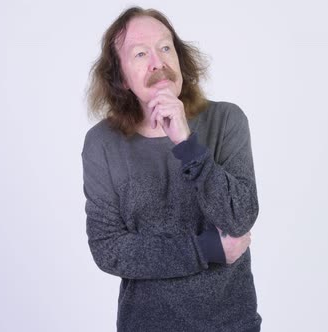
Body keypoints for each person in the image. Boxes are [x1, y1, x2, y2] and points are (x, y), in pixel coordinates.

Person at [83, 6, 261, 332]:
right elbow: (109, 248)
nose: (158, 62)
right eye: (140, 54)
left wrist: (186, 143)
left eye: (166, 48)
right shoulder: (102, 144)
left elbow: (239, 216)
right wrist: (208, 249)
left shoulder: (227, 120)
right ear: (121, 77)